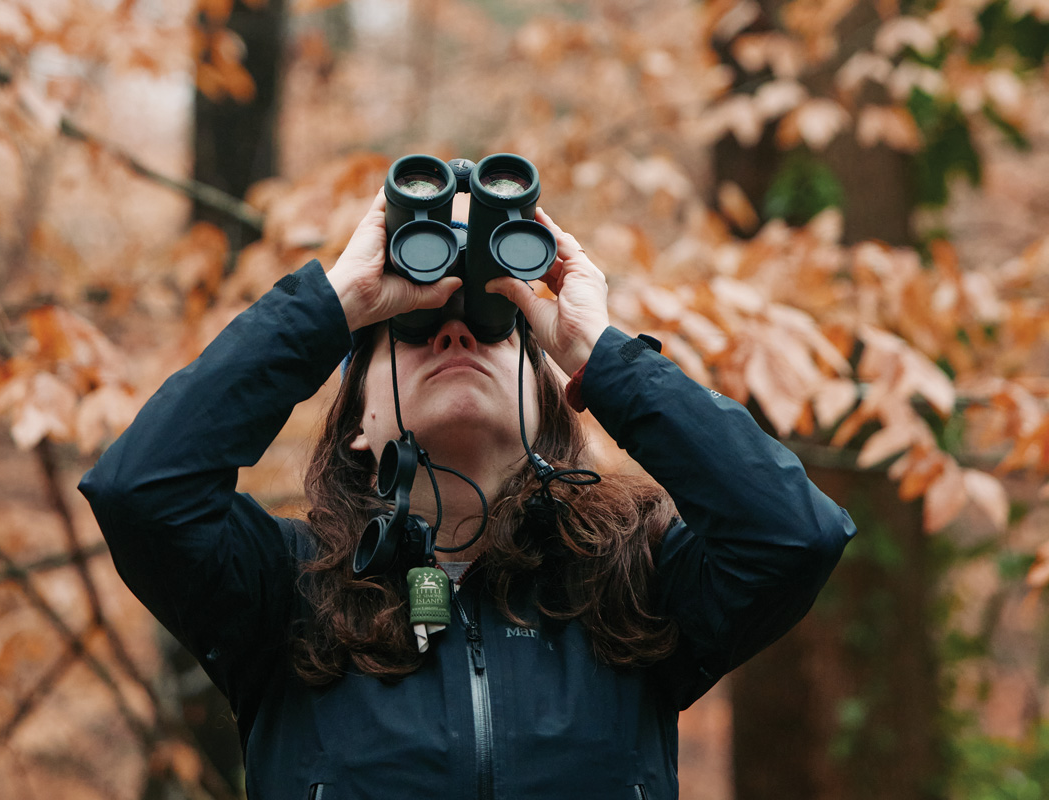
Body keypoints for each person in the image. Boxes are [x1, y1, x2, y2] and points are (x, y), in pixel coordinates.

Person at [79, 188, 856, 799]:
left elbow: (793, 535)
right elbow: (139, 493)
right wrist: (332, 307)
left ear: (546, 405)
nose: (454, 335)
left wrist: (601, 359)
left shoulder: (629, 583)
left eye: (492, 327)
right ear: (358, 424)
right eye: (412, 330)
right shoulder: (286, 592)